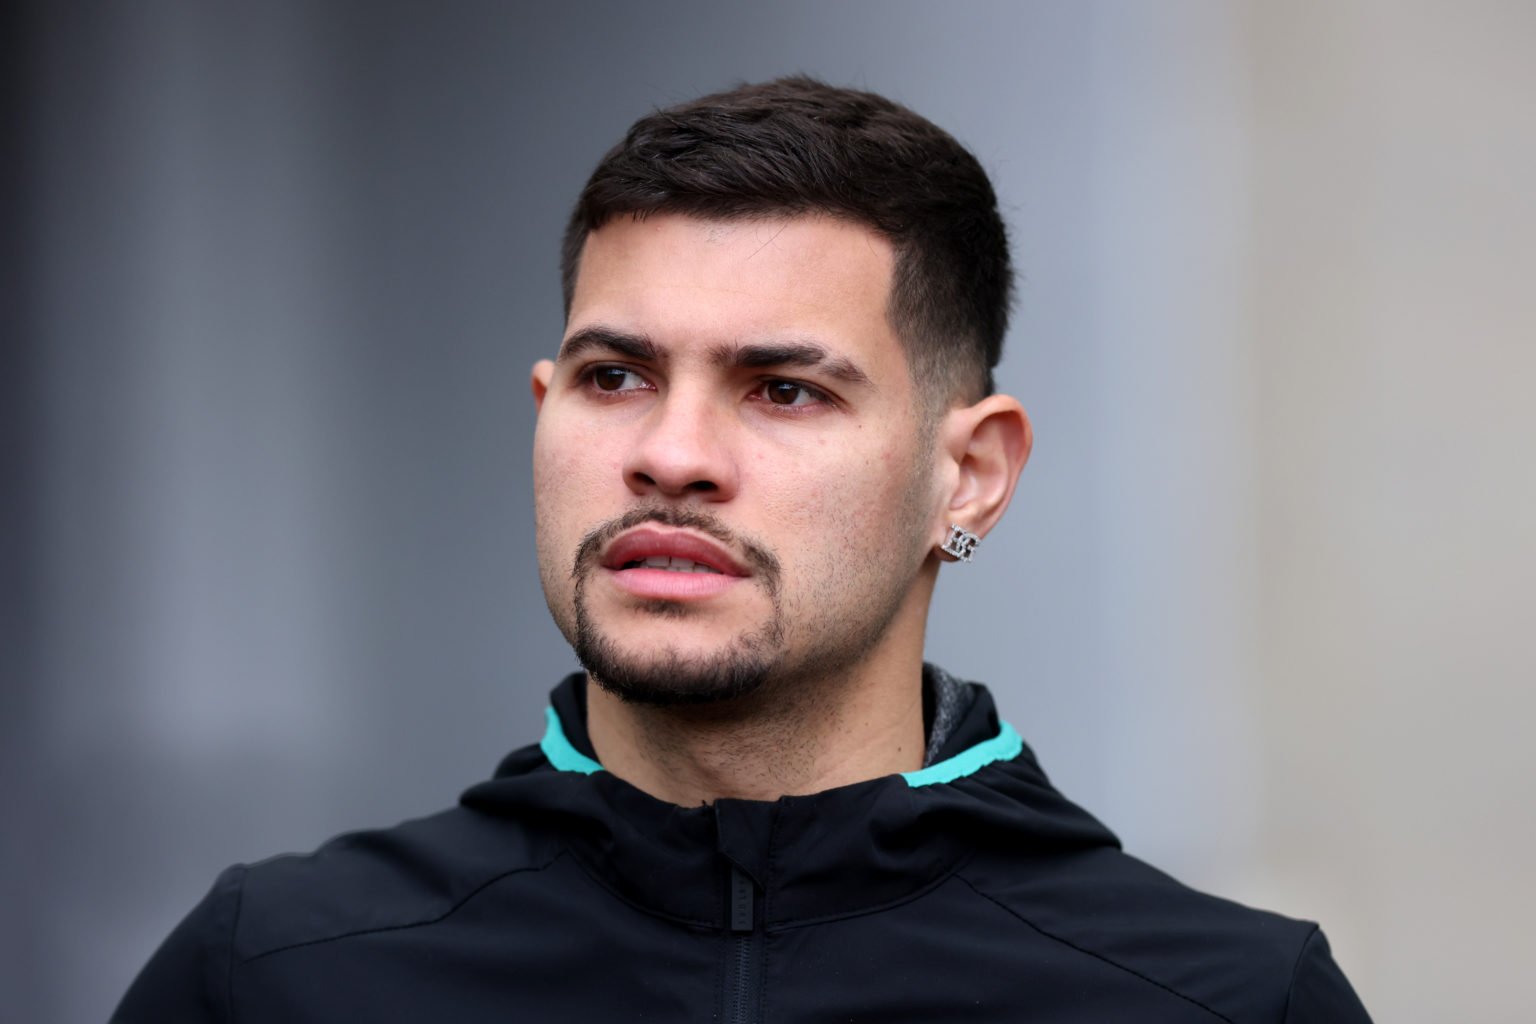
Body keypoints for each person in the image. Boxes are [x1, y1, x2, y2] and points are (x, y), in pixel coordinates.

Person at [113, 76, 1372, 1022]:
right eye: (616, 376)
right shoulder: (276, 974)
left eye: (783, 390)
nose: (672, 453)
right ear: (545, 409)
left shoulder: (1220, 1001)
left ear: (969, 476)